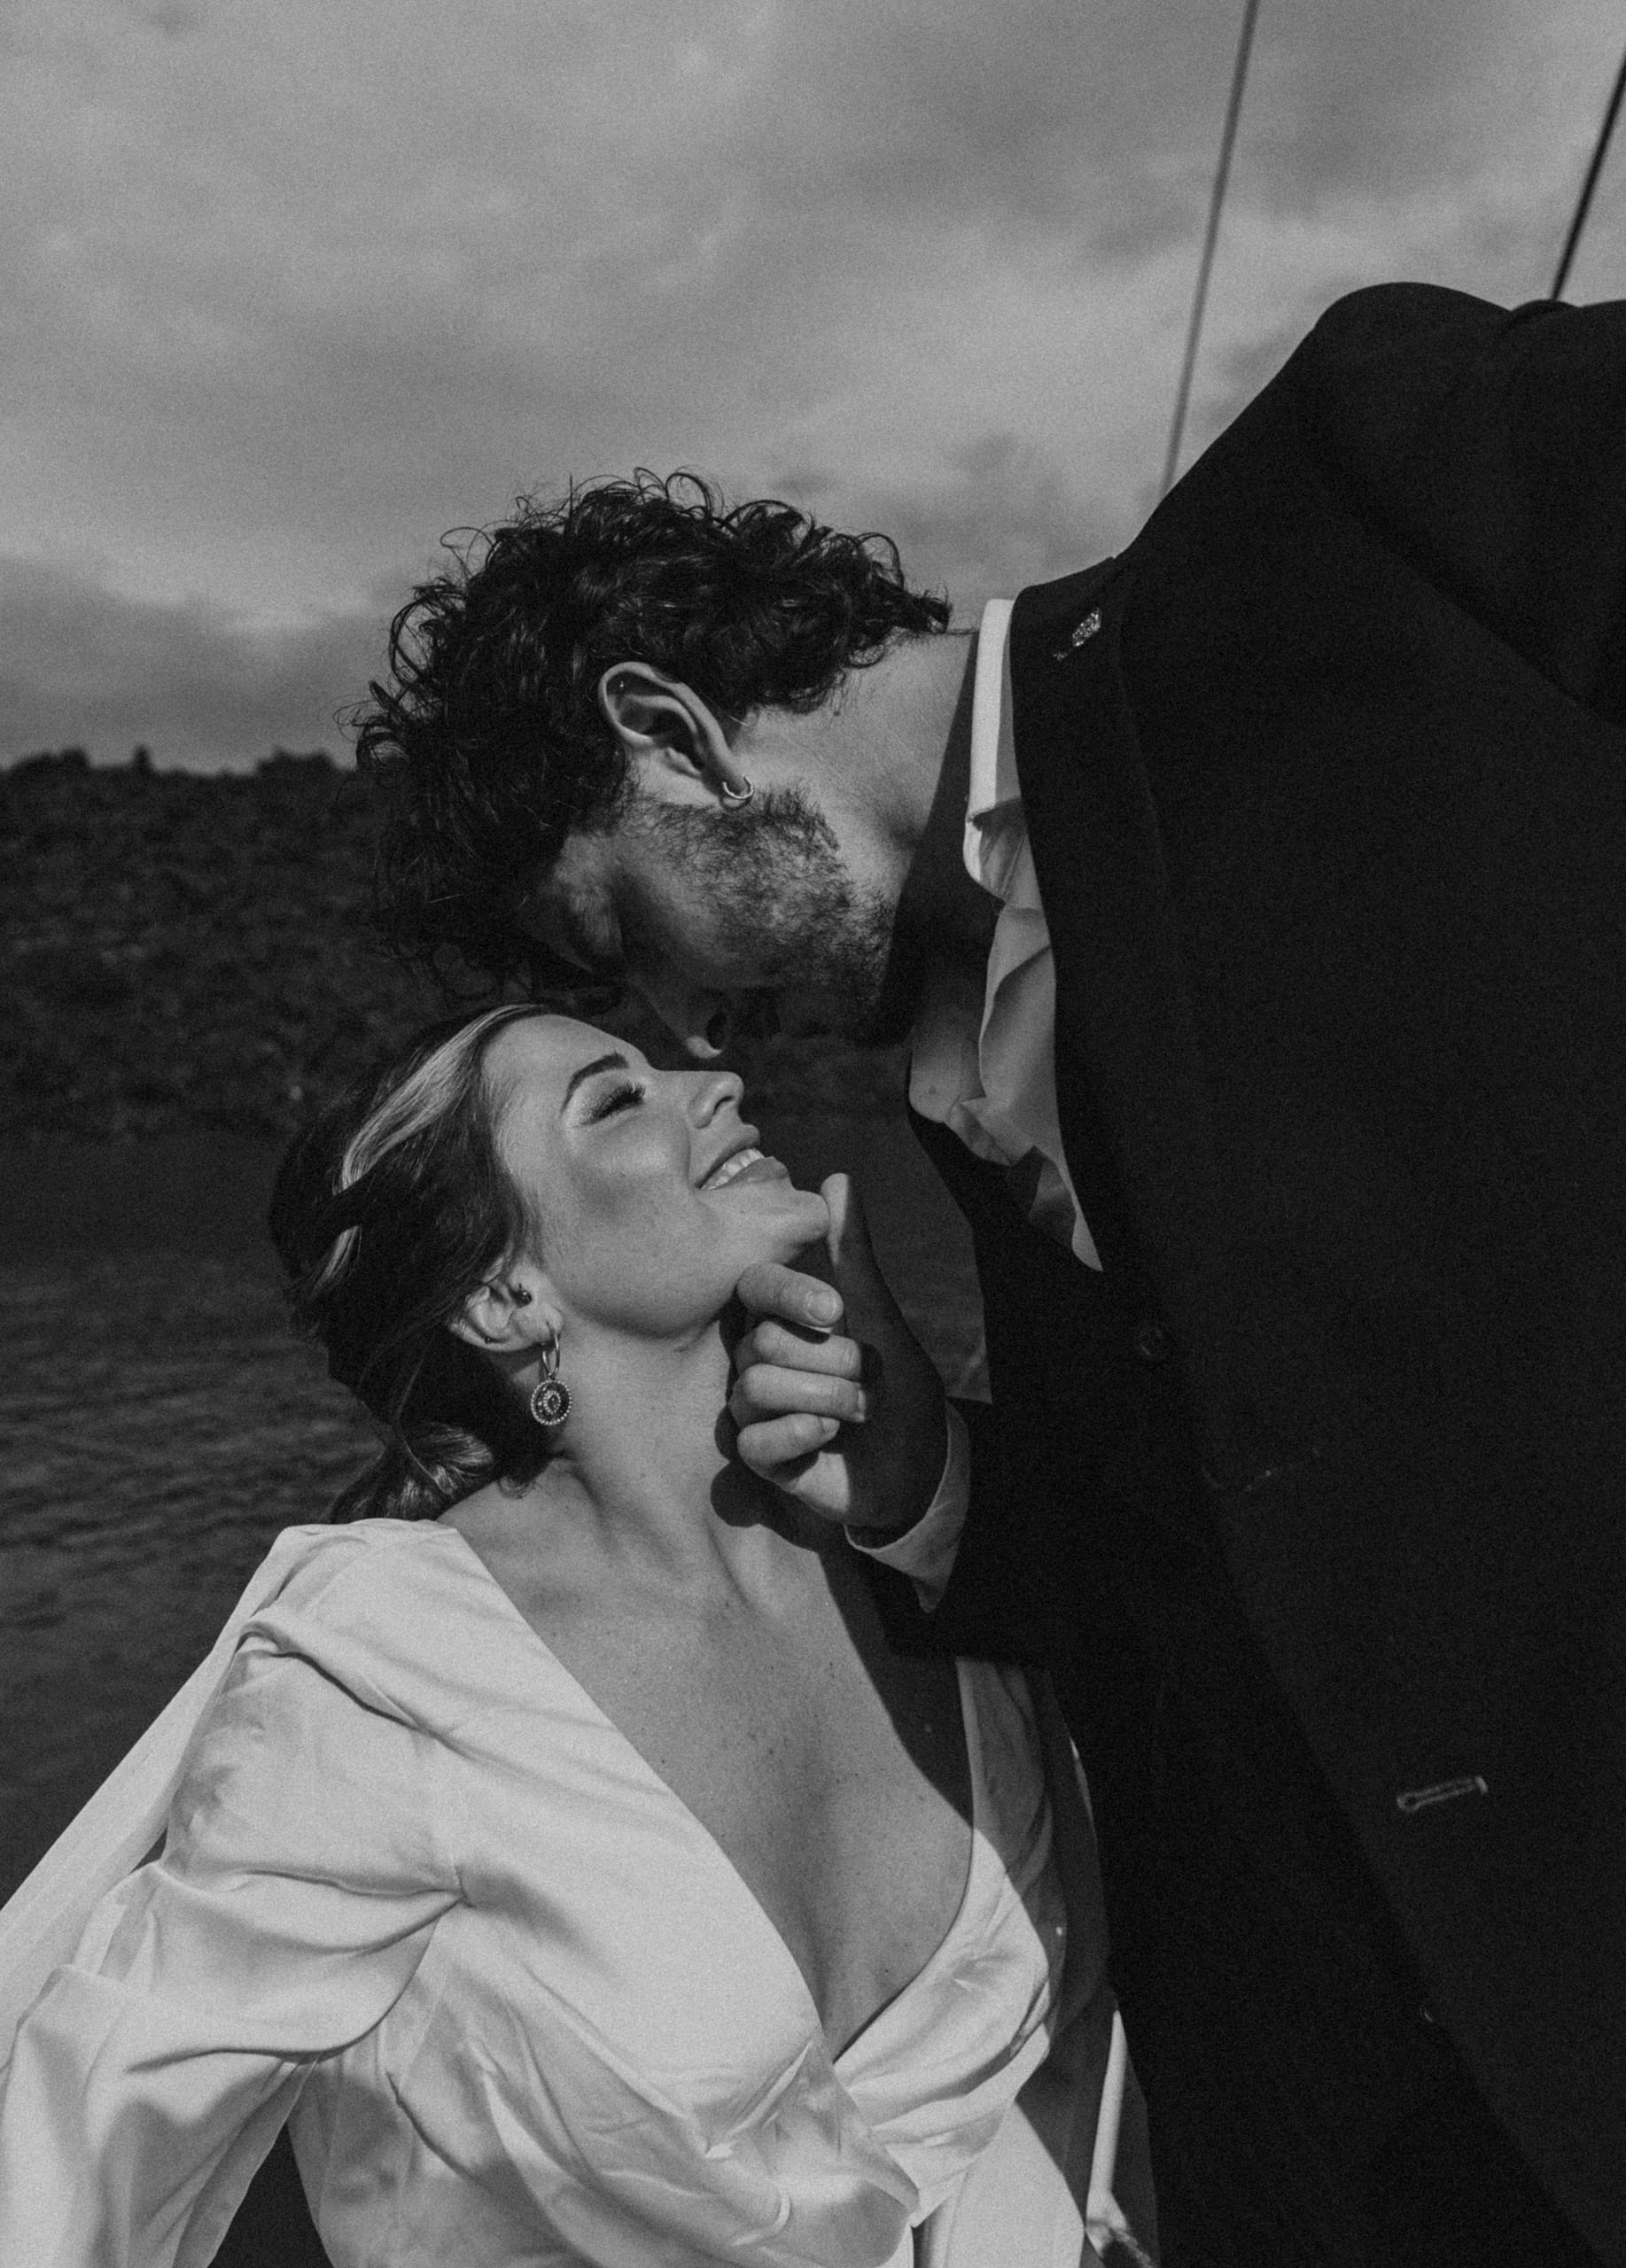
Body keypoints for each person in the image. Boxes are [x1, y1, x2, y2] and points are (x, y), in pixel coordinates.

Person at [352, 281, 1626, 2267]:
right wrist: (937, 1472)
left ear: (668, 731)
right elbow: (1242, 1550)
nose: (688, 1035)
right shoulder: (957, 1098)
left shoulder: (1369, 492)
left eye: (628, 943)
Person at [0, 1003, 1155, 2268]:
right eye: (614, 1101)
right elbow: (82, 2176)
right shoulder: (394, 1672)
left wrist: (933, 1468)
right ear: (503, 1298)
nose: (710, 1079)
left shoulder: (934, 1560)